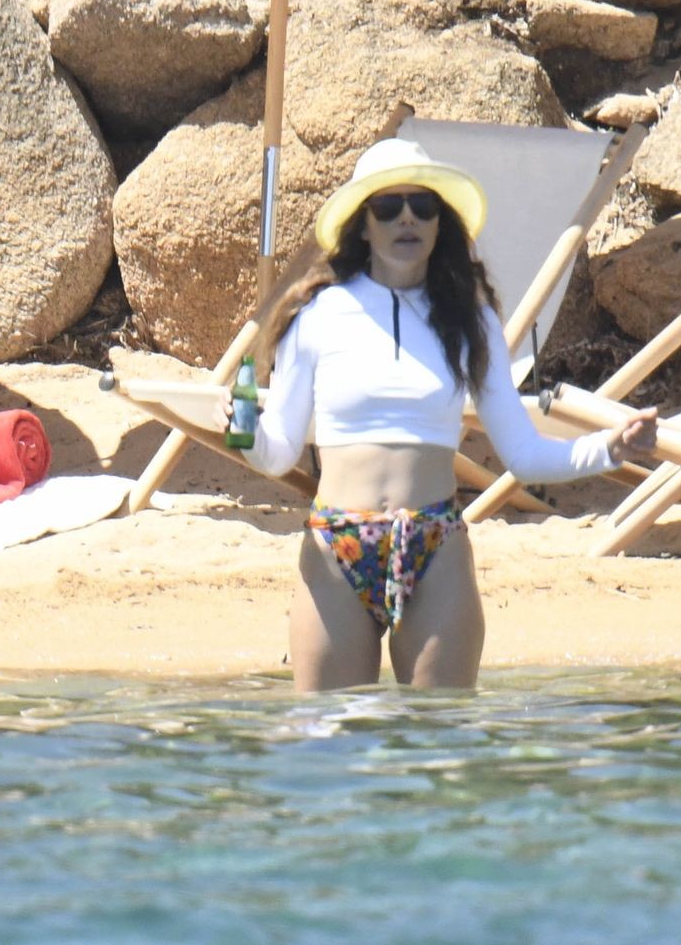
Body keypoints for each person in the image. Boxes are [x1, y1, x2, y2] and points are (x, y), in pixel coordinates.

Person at [225, 138, 658, 691]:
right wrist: (243, 432)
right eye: (388, 207)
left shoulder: (470, 321)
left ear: (438, 223)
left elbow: (524, 455)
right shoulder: (317, 315)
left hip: (435, 546)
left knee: (440, 732)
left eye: (422, 206)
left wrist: (610, 449)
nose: (407, 219)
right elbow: (278, 451)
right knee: (327, 734)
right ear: (363, 226)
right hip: (337, 545)